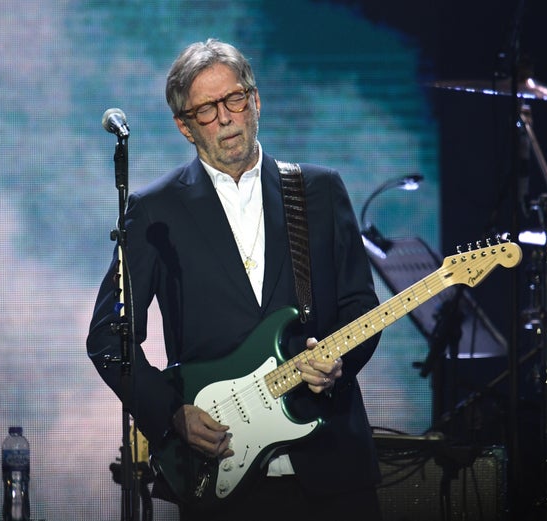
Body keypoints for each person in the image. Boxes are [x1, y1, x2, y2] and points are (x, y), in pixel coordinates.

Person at [87, 38, 383, 521]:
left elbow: (359, 306)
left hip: (332, 470)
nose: (225, 117)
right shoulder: (155, 211)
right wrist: (171, 414)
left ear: (255, 100)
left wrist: (337, 362)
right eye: (205, 110)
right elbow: (107, 338)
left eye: (234, 99)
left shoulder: (319, 189)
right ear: (185, 127)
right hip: (222, 475)